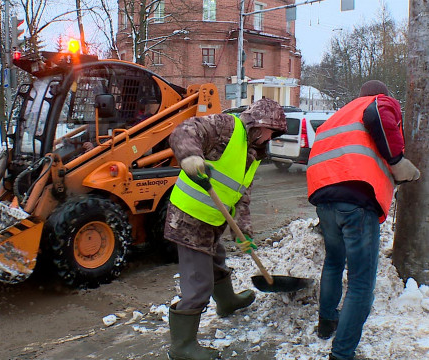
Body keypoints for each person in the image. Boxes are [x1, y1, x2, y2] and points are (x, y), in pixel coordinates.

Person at [164, 98, 287, 360]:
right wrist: (191, 155)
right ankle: (182, 346)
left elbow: (241, 198)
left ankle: (227, 302)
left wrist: (245, 236)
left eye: (275, 134)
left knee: (217, 261)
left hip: (212, 220)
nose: (271, 137)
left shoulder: (252, 154)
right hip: (188, 215)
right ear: (258, 123)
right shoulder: (226, 127)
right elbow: (185, 130)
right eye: (271, 131)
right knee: (199, 280)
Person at [306, 80, 421, 360]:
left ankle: (326, 323)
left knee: (334, 262)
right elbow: (377, 116)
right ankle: (342, 353)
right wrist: (396, 161)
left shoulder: (339, 114)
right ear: (382, 94)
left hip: (323, 196)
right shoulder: (379, 102)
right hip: (356, 199)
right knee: (360, 281)